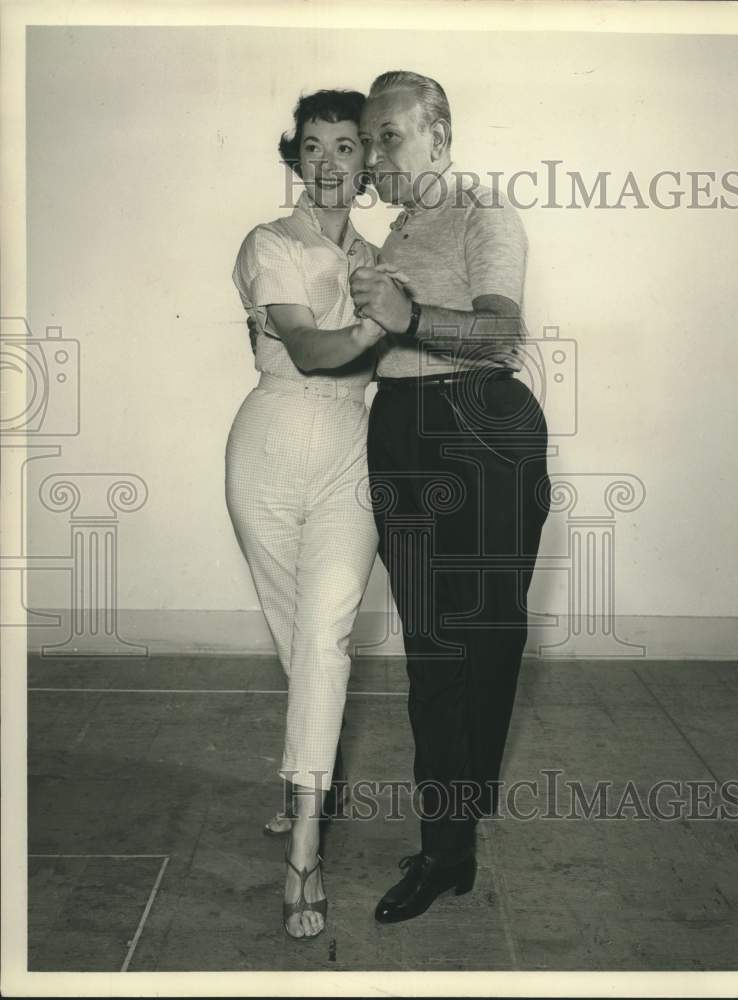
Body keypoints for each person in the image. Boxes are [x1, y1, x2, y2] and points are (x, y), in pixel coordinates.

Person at [350, 70, 552, 924]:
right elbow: (378, 339)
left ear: (439, 134)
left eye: (388, 136)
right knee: (432, 645)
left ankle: (447, 845)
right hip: (402, 429)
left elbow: (502, 330)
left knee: (481, 641)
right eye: (368, 140)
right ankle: (449, 840)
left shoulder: (481, 208)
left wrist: (408, 317)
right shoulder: (391, 232)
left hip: (479, 427)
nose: (374, 155)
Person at [225, 88, 395, 939]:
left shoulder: (381, 252)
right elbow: (310, 348)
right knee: (298, 638)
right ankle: (304, 782)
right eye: (316, 147)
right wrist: (381, 323)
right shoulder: (270, 244)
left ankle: (303, 850)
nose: (331, 164)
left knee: (326, 636)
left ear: (368, 161)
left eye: (348, 147)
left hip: (349, 453)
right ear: (296, 157)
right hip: (269, 443)